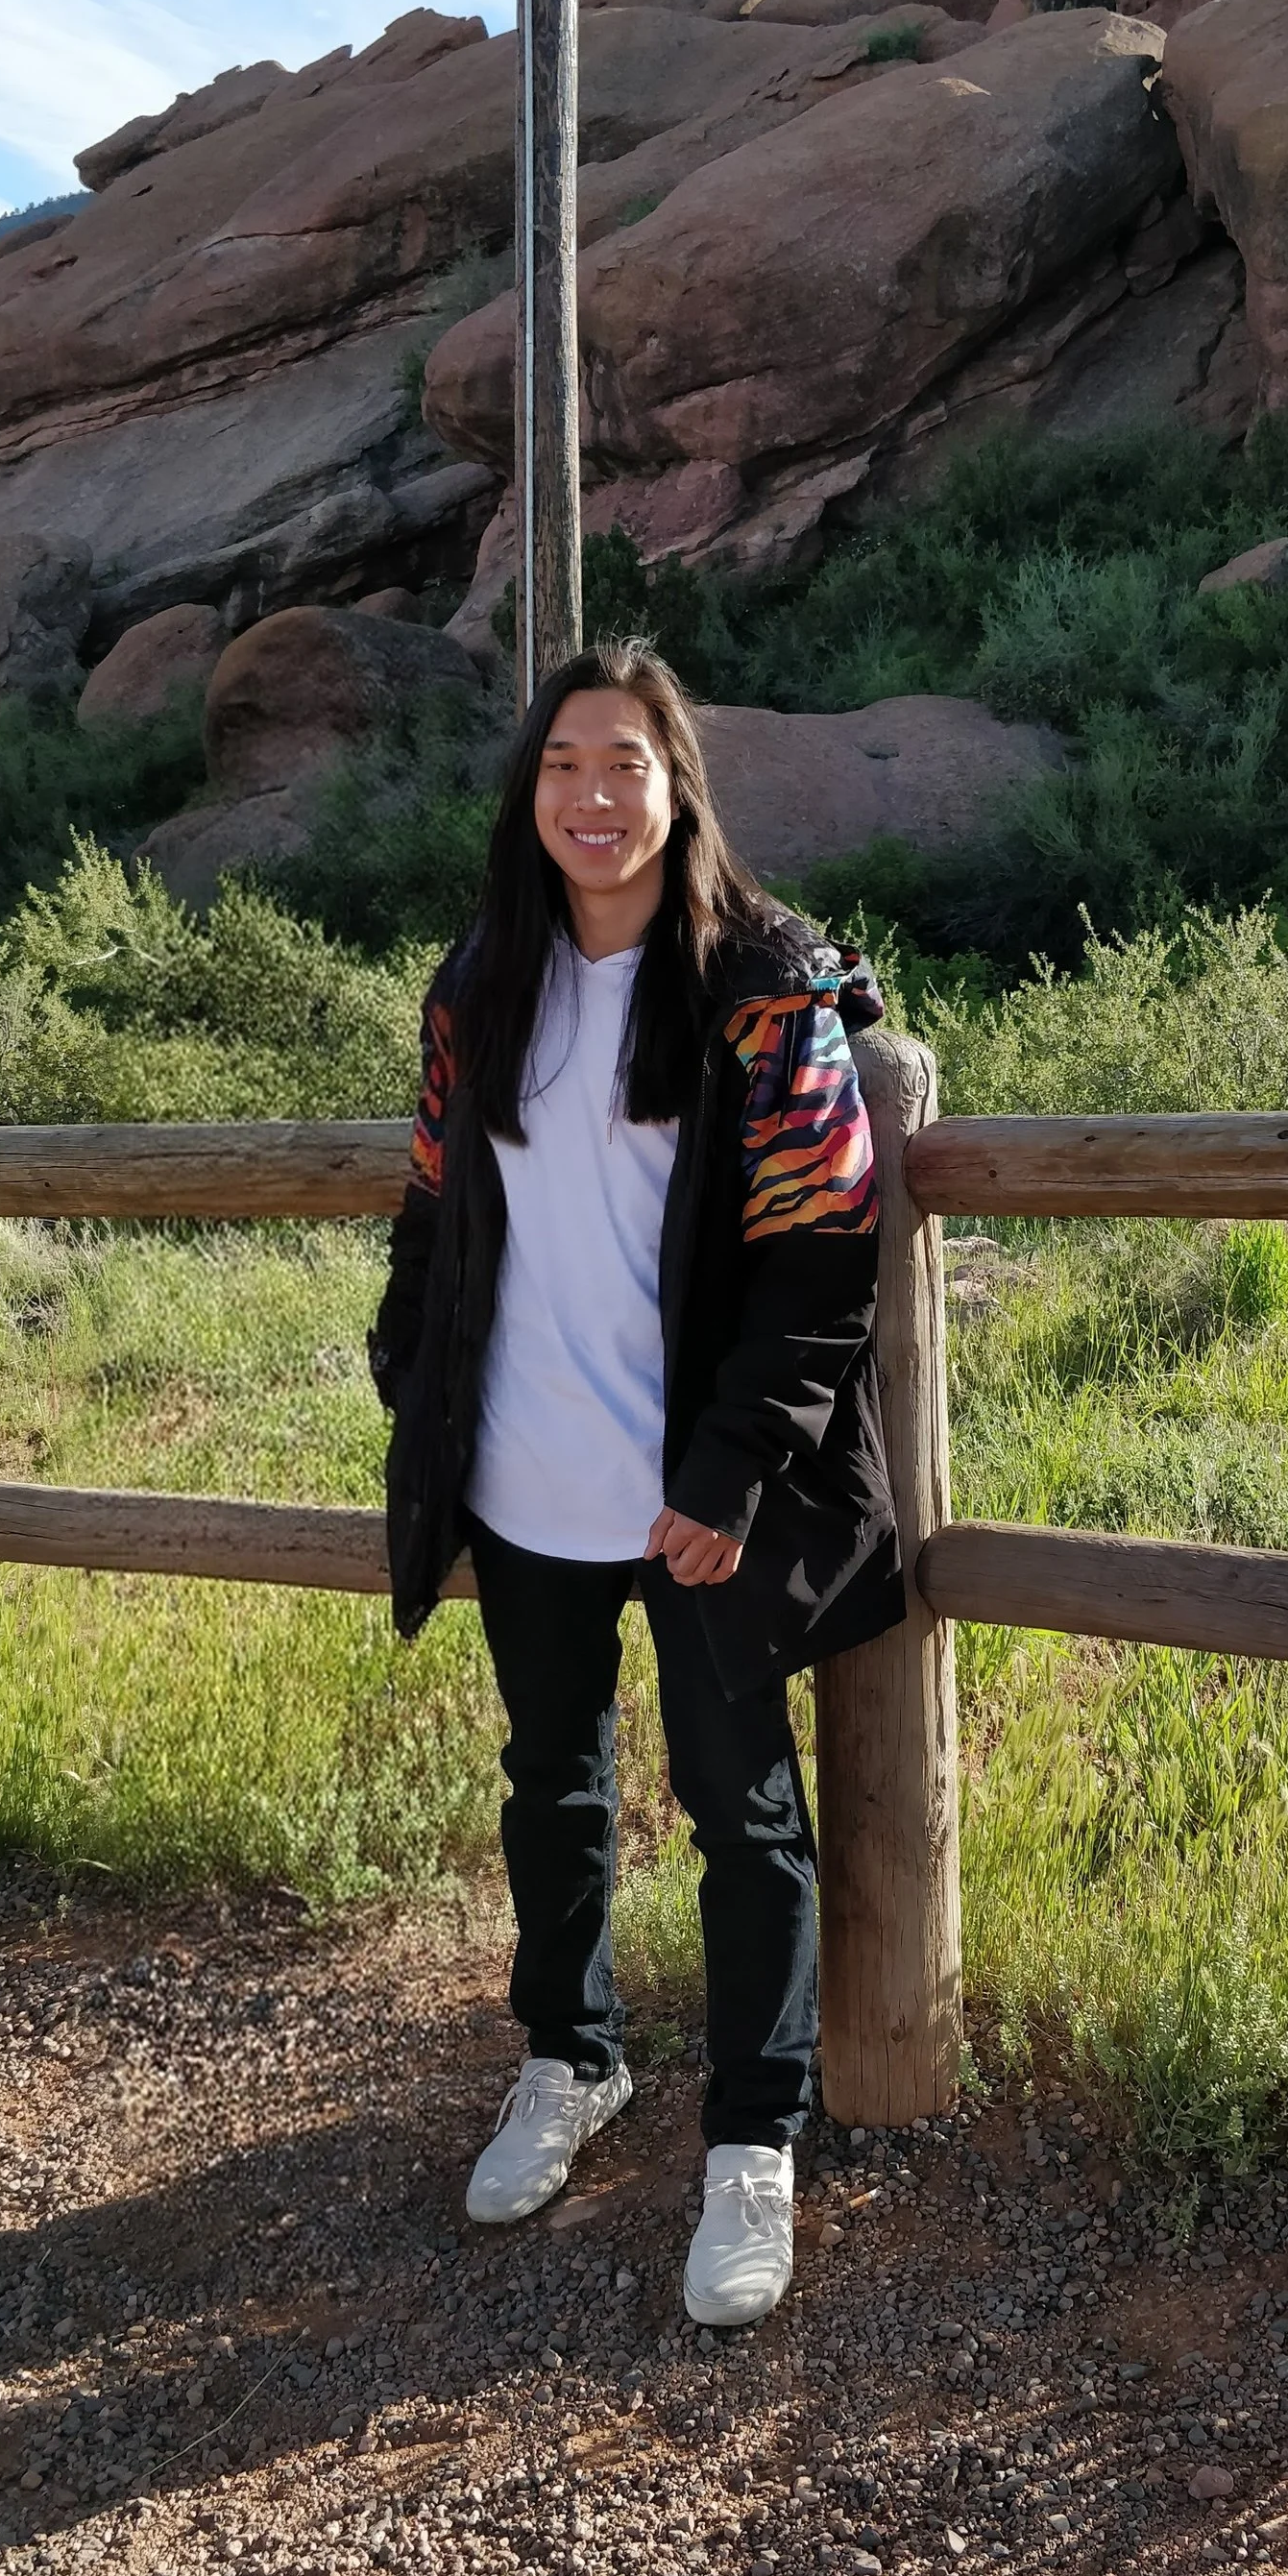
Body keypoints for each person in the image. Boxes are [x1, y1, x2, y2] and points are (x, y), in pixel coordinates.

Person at [368, 636, 904, 2328]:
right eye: (560, 769)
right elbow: (436, 1212)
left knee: (742, 1816)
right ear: (526, 797)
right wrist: (418, 1389)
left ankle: (754, 2138)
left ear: (679, 790)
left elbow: (825, 1256)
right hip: (525, 1475)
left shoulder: (766, 986)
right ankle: (570, 2056)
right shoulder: (481, 984)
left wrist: (732, 1470)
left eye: (625, 766)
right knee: (555, 1785)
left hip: (693, 1495)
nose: (591, 799)